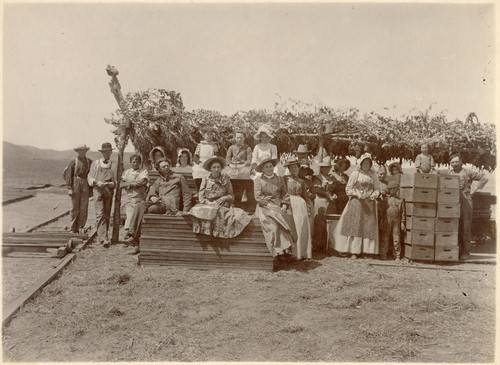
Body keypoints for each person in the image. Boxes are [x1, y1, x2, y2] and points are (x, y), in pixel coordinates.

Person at [124, 158, 193, 253]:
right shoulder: (159, 180)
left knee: (150, 209)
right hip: (159, 202)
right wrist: (152, 196)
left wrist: (185, 210)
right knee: (139, 206)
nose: (166, 168)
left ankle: (137, 243)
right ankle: (132, 235)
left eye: (167, 165)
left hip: (170, 204)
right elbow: (152, 192)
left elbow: (187, 194)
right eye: (163, 166)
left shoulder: (178, 177)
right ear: (159, 169)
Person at [333, 153, 380, 258]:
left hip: (369, 203)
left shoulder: (373, 175)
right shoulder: (355, 174)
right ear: (361, 163)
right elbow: (348, 188)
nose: (366, 165)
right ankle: (353, 250)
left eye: (368, 163)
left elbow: (377, 188)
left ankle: (366, 250)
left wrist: (374, 194)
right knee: (355, 225)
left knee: (367, 225)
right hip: (356, 202)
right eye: (364, 163)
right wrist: (357, 194)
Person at [190, 157, 251, 238]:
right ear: (210, 169)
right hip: (207, 204)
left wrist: (223, 198)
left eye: (218, 167)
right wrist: (209, 203)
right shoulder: (205, 178)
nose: (216, 169)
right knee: (196, 211)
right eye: (214, 167)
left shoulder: (225, 178)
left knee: (222, 213)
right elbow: (201, 196)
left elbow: (231, 195)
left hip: (222, 204)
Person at [445, 154, 488, 260]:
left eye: (456, 162)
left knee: (465, 228)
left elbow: (484, 178)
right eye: (452, 162)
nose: (455, 164)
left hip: (466, 202)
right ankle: (456, 251)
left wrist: (475, 189)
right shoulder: (449, 173)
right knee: (455, 227)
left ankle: (466, 252)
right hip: (453, 203)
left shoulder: (467, 172)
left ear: (461, 161)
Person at [254, 157, 295, 261]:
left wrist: (284, 205)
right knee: (273, 225)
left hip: (279, 206)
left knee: (285, 220)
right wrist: (269, 205)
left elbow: (285, 195)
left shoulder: (280, 179)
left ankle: (286, 250)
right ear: (262, 169)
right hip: (264, 206)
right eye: (266, 167)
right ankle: (278, 252)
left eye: (271, 166)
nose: (269, 169)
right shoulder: (258, 180)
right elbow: (258, 197)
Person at [87, 142, 117, 248]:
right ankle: (103, 239)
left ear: (111, 152)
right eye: (104, 152)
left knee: (107, 214)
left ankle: (104, 237)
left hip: (108, 191)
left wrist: (110, 184)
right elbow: (90, 177)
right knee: (100, 214)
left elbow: (116, 181)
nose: (106, 153)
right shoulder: (95, 164)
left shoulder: (114, 165)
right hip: (98, 190)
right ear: (102, 152)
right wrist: (97, 182)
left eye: (108, 151)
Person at [284, 157, 313, 260]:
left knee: (301, 226)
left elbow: (305, 195)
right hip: (290, 203)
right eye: (291, 167)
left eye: (295, 167)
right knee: (293, 226)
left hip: (301, 204)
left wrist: (308, 207)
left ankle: (301, 252)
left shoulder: (301, 181)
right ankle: (291, 252)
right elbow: (283, 192)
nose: (293, 169)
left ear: (298, 168)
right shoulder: (285, 179)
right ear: (289, 169)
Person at [65, 144, 92, 234]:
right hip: (76, 182)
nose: (82, 152)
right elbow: (69, 175)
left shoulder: (89, 162)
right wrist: (69, 188)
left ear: (86, 151)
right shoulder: (73, 161)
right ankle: (72, 227)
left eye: (84, 150)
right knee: (74, 206)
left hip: (86, 183)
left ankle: (81, 226)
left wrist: (91, 189)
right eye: (80, 150)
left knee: (84, 206)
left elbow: (91, 175)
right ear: (77, 151)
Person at [312, 157, 337, 251]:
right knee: (319, 222)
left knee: (330, 223)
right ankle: (317, 244)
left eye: (328, 167)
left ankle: (327, 244)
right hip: (321, 200)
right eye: (324, 167)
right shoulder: (317, 178)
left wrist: (333, 195)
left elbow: (333, 190)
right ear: (321, 168)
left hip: (330, 202)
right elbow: (317, 190)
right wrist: (327, 195)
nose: (326, 169)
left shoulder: (332, 178)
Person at [121, 154, 149, 232]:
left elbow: (142, 182)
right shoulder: (126, 172)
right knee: (129, 217)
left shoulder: (143, 171)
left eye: (137, 162)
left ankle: (135, 236)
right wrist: (135, 184)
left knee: (137, 217)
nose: (135, 164)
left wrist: (129, 184)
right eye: (133, 162)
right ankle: (128, 235)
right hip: (129, 199)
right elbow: (122, 184)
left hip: (140, 198)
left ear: (140, 163)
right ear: (131, 162)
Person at [225, 130, 253, 204]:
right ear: (235, 138)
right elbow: (227, 158)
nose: (239, 139)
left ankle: (240, 198)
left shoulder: (247, 148)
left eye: (241, 138)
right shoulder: (231, 147)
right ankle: (231, 200)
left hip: (243, 167)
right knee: (231, 183)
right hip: (232, 167)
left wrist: (244, 164)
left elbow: (249, 159)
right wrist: (230, 164)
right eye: (237, 138)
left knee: (242, 182)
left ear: (244, 138)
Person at [379, 180, 406, 260]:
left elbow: (402, 212)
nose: (392, 191)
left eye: (394, 189)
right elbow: (382, 211)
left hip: (396, 222)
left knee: (396, 239)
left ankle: (397, 255)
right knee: (385, 238)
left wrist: (402, 222)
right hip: (386, 221)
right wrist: (381, 221)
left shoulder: (400, 200)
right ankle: (383, 255)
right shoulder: (386, 200)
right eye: (390, 189)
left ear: (397, 189)